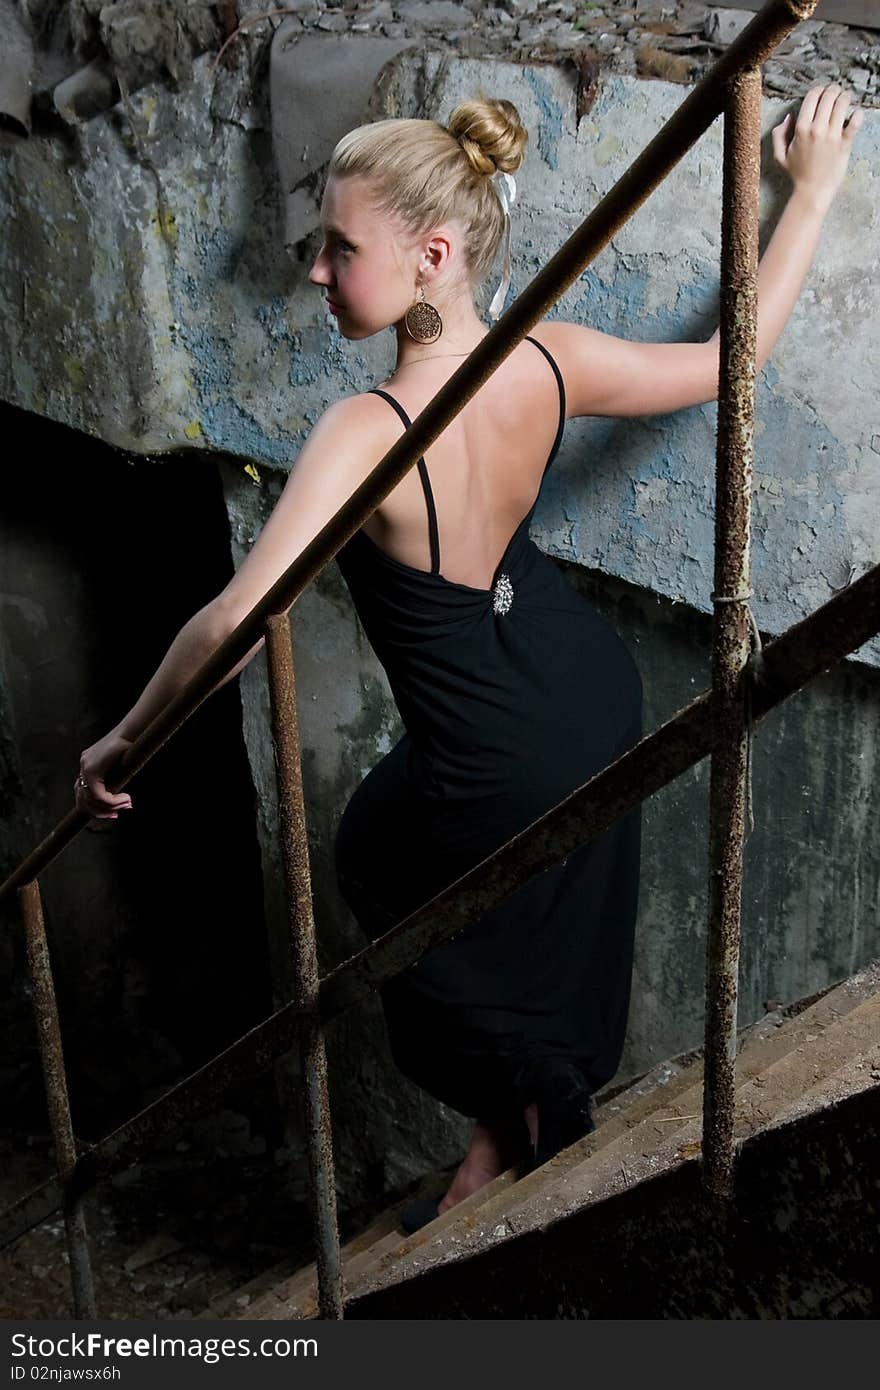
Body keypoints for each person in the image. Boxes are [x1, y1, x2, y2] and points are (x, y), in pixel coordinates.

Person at [75, 84, 863, 1232]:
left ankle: (520, 1109)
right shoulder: (547, 358)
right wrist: (812, 197)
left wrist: (122, 740)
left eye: (338, 249)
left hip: (491, 741)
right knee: (404, 852)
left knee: (381, 863)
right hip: (588, 689)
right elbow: (722, 361)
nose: (315, 271)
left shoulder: (362, 431)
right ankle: (516, 1118)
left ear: (432, 254)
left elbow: (232, 622)